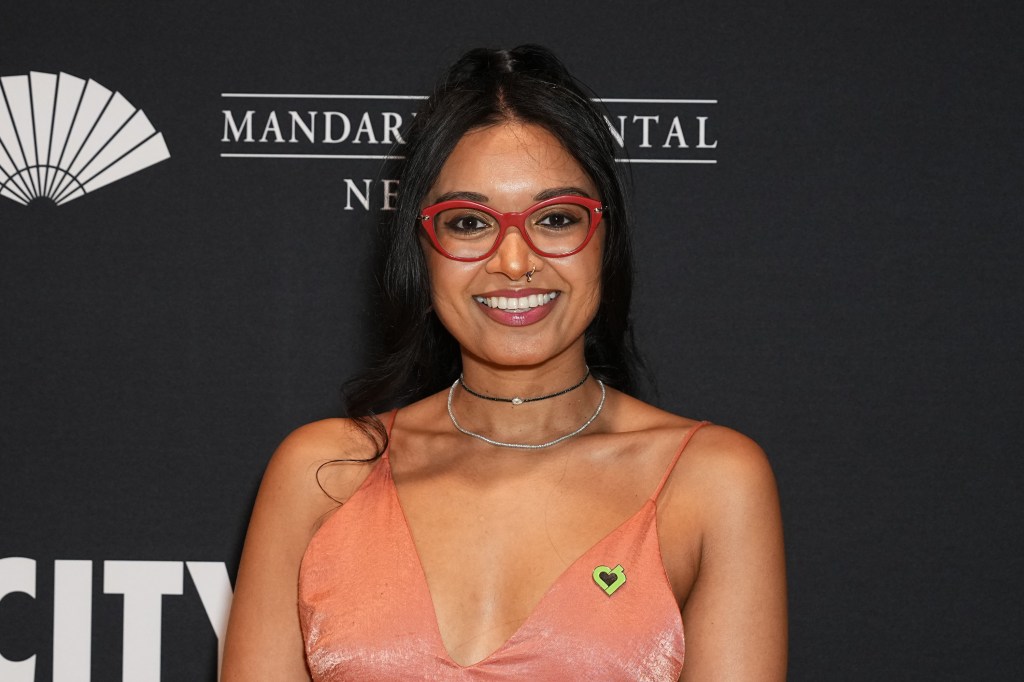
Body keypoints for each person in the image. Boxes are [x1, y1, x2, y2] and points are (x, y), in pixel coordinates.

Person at [222, 45, 786, 681]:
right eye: (467, 221)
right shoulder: (324, 474)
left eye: (556, 218)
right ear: (422, 249)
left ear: (605, 239)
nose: (514, 261)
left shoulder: (710, 482)